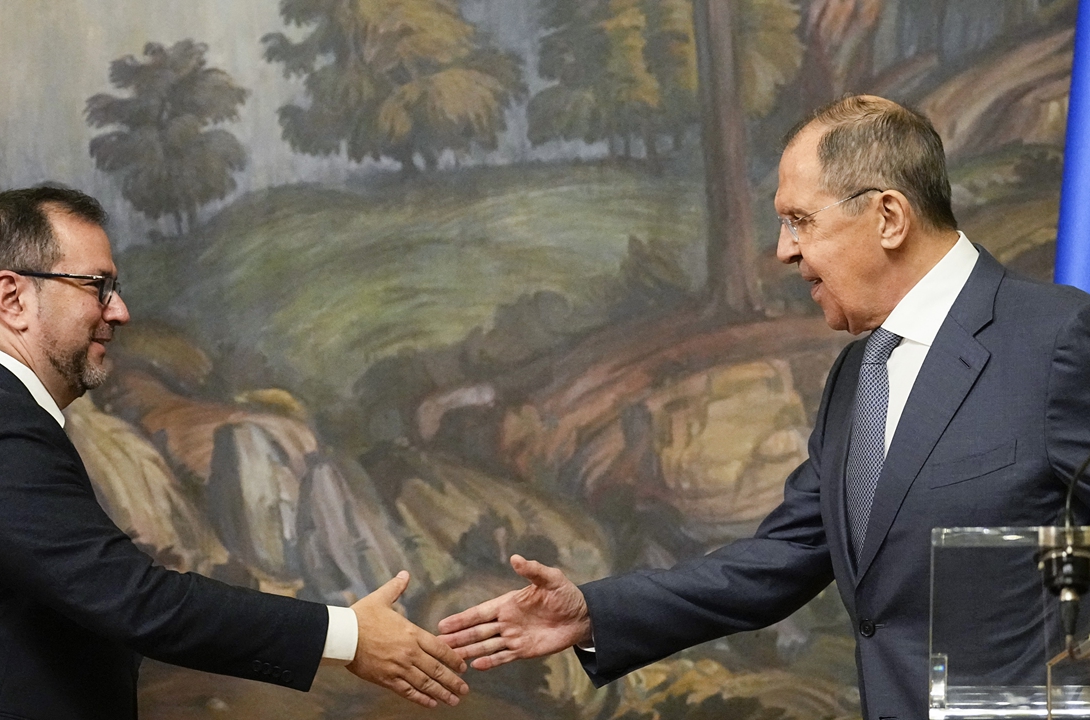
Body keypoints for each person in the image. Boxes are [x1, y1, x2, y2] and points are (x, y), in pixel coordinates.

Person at [438, 95, 1090, 719]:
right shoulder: (861, 374)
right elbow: (780, 559)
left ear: (888, 217)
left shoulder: (1060, 341)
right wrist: (593, 613)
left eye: (800, 220)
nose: (783, 250)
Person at [0, 187, 468, 719]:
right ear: (12, 297)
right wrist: (346, 635)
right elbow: (133, 600)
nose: (119, 311)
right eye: (97, 286)